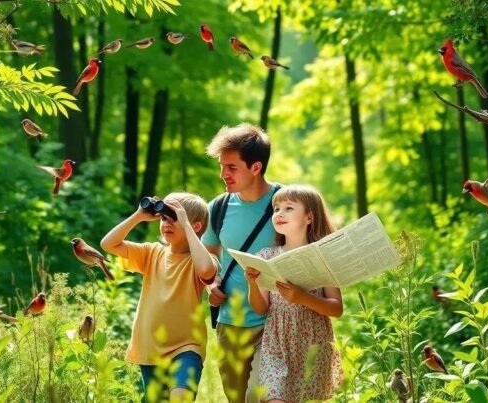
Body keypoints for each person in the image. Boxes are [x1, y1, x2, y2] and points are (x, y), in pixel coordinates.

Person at [100, 192, 218, 402]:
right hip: (150, 348)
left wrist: (187, 225)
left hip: (187, 347)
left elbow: (208, 270)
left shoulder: (199, 259)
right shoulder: (152, 253)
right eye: (164, 218)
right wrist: (138, 216)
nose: (166, 223)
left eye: (175, 219)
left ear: (196, 226)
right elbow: (108, 244)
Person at [202, 123, 281, 402]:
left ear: (256, 167)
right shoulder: (218, 207)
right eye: (222, 166)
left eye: (232, 167)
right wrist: (211, 284)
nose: (223, 174)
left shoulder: (286, 203)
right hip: (230, 322)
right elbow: (208, 257)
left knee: (259, 396)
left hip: (276, 321)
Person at [245, 184, 343, 402]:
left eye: (288, 208)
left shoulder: (322, 257)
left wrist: (303, 298)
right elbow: (261, 308)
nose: (279, 213)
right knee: (274, 396)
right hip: (277, 343)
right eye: (276, 208)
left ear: (309, 217)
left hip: (314, 344)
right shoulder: (266, 256)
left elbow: (337, 308)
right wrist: (252, 283)